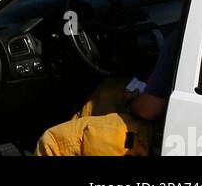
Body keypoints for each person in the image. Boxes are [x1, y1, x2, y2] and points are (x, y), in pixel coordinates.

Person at [36, 30, 180, 156]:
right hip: (166, 116)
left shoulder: (182, 34)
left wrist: (132, 101)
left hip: (157, 132)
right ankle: (84, 139)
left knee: (53, 143)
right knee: (108, 89)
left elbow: (151, 108)